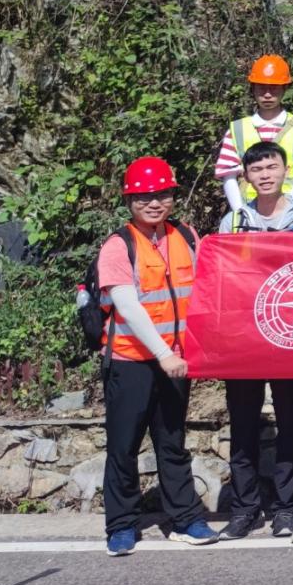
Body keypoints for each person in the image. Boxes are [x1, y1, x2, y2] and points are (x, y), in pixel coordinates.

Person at [98, 157, 218, 554]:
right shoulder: (119, 244)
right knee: (123, 445)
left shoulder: (186, 235)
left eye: (162, 194)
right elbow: (127, 307)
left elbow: (206, 290)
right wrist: (165, 353)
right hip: (131, 361)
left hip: (175, 361)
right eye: (144, 196)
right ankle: (121, 525)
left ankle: (186, 519)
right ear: (129, 199)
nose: (154, 202)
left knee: (172, 443)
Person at [215, 140, 293, 540]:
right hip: (244, 341)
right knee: (242, 427)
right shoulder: (233, 221)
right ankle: (244, 509)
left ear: (285, 171)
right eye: (256, 170)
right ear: (245, 177)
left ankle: (286, 508)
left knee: (292, 424)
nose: (265, 175)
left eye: (272, 167)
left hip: (292, 337)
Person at [215, 53, 293, 212]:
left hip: (292, 211)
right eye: (262, 88)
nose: (268, 94)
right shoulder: (236, 129)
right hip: (248, 210)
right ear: (253, 89)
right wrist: (240, 213)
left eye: (274, 88)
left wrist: (287, 209)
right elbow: (228, 175)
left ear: (285, 88)